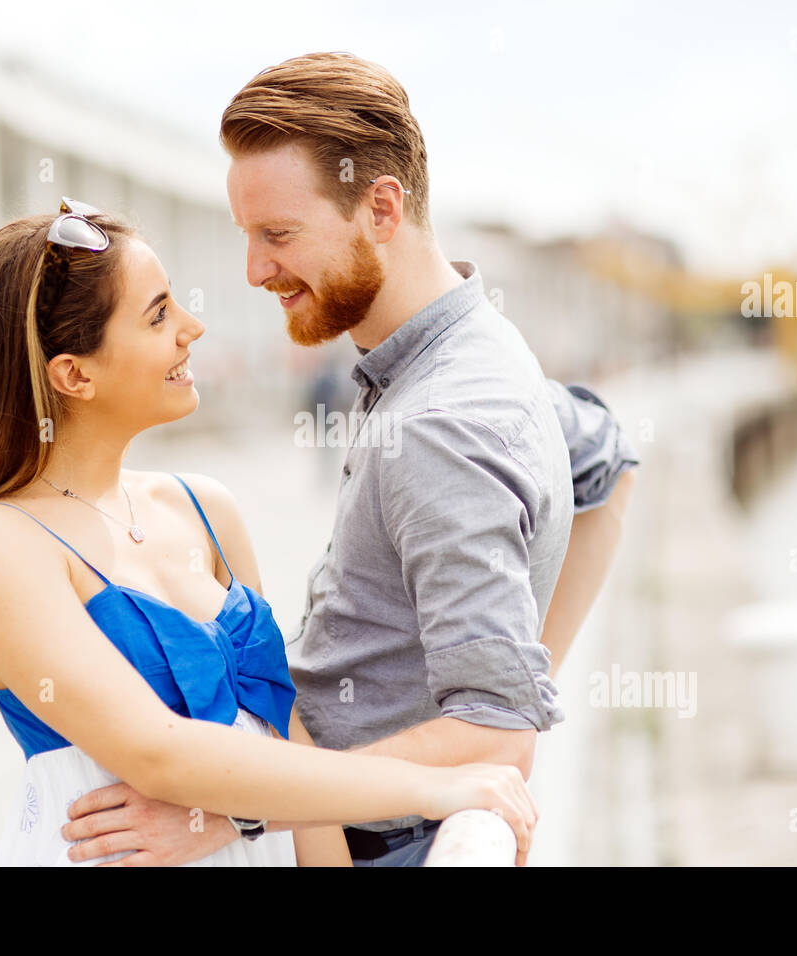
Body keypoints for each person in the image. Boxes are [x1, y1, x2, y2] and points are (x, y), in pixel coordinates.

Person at [63, 52, 639, 867]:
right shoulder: (474, 350)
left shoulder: (443, 420)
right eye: (248, 236)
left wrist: (242, 815)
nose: (256, 269)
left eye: (279, 235)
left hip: (376, 846)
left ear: (381, 206)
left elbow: (499, 737)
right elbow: (609, 460)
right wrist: (522, 661)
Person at [0, 198, 538, 867]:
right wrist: (435, 786)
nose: (192, 328)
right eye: (159, 313)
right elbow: (156, 751)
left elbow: (289, 738)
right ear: (74, 374)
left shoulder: (204, 508)